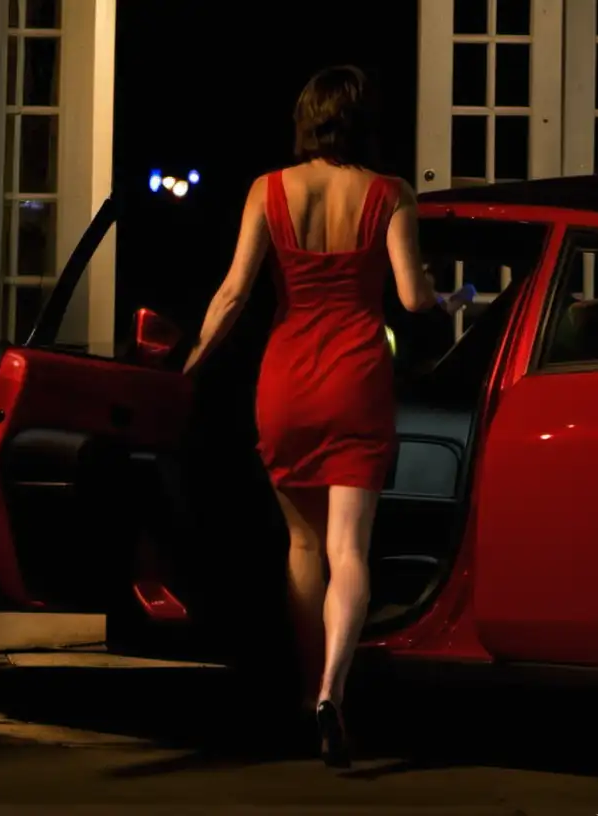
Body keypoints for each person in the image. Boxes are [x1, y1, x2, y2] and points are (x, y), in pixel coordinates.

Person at [181, 65, 465, 767]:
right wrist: (446, 298)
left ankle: (305, 691)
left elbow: (232, 296)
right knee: (350, 551)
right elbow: (410, 299)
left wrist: (186, 367)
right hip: (357, 379)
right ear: (365, 121)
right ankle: (333, 695)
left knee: (302, 550)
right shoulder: (390, 194)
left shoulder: (267, 191)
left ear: (308, 120)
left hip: (287, 382)